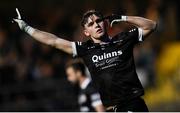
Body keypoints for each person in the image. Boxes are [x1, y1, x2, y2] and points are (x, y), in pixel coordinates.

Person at [13, 8, 157, 112]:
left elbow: (151, 25)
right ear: (86, 32)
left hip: (132, 104)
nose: (96, 24)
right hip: (111, 109)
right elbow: (54, 41)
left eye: (99, 21)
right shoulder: (86, 49)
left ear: (104, 23)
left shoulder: (122, 39)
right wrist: (27, 28)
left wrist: (123, 18)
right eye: (91, 24)